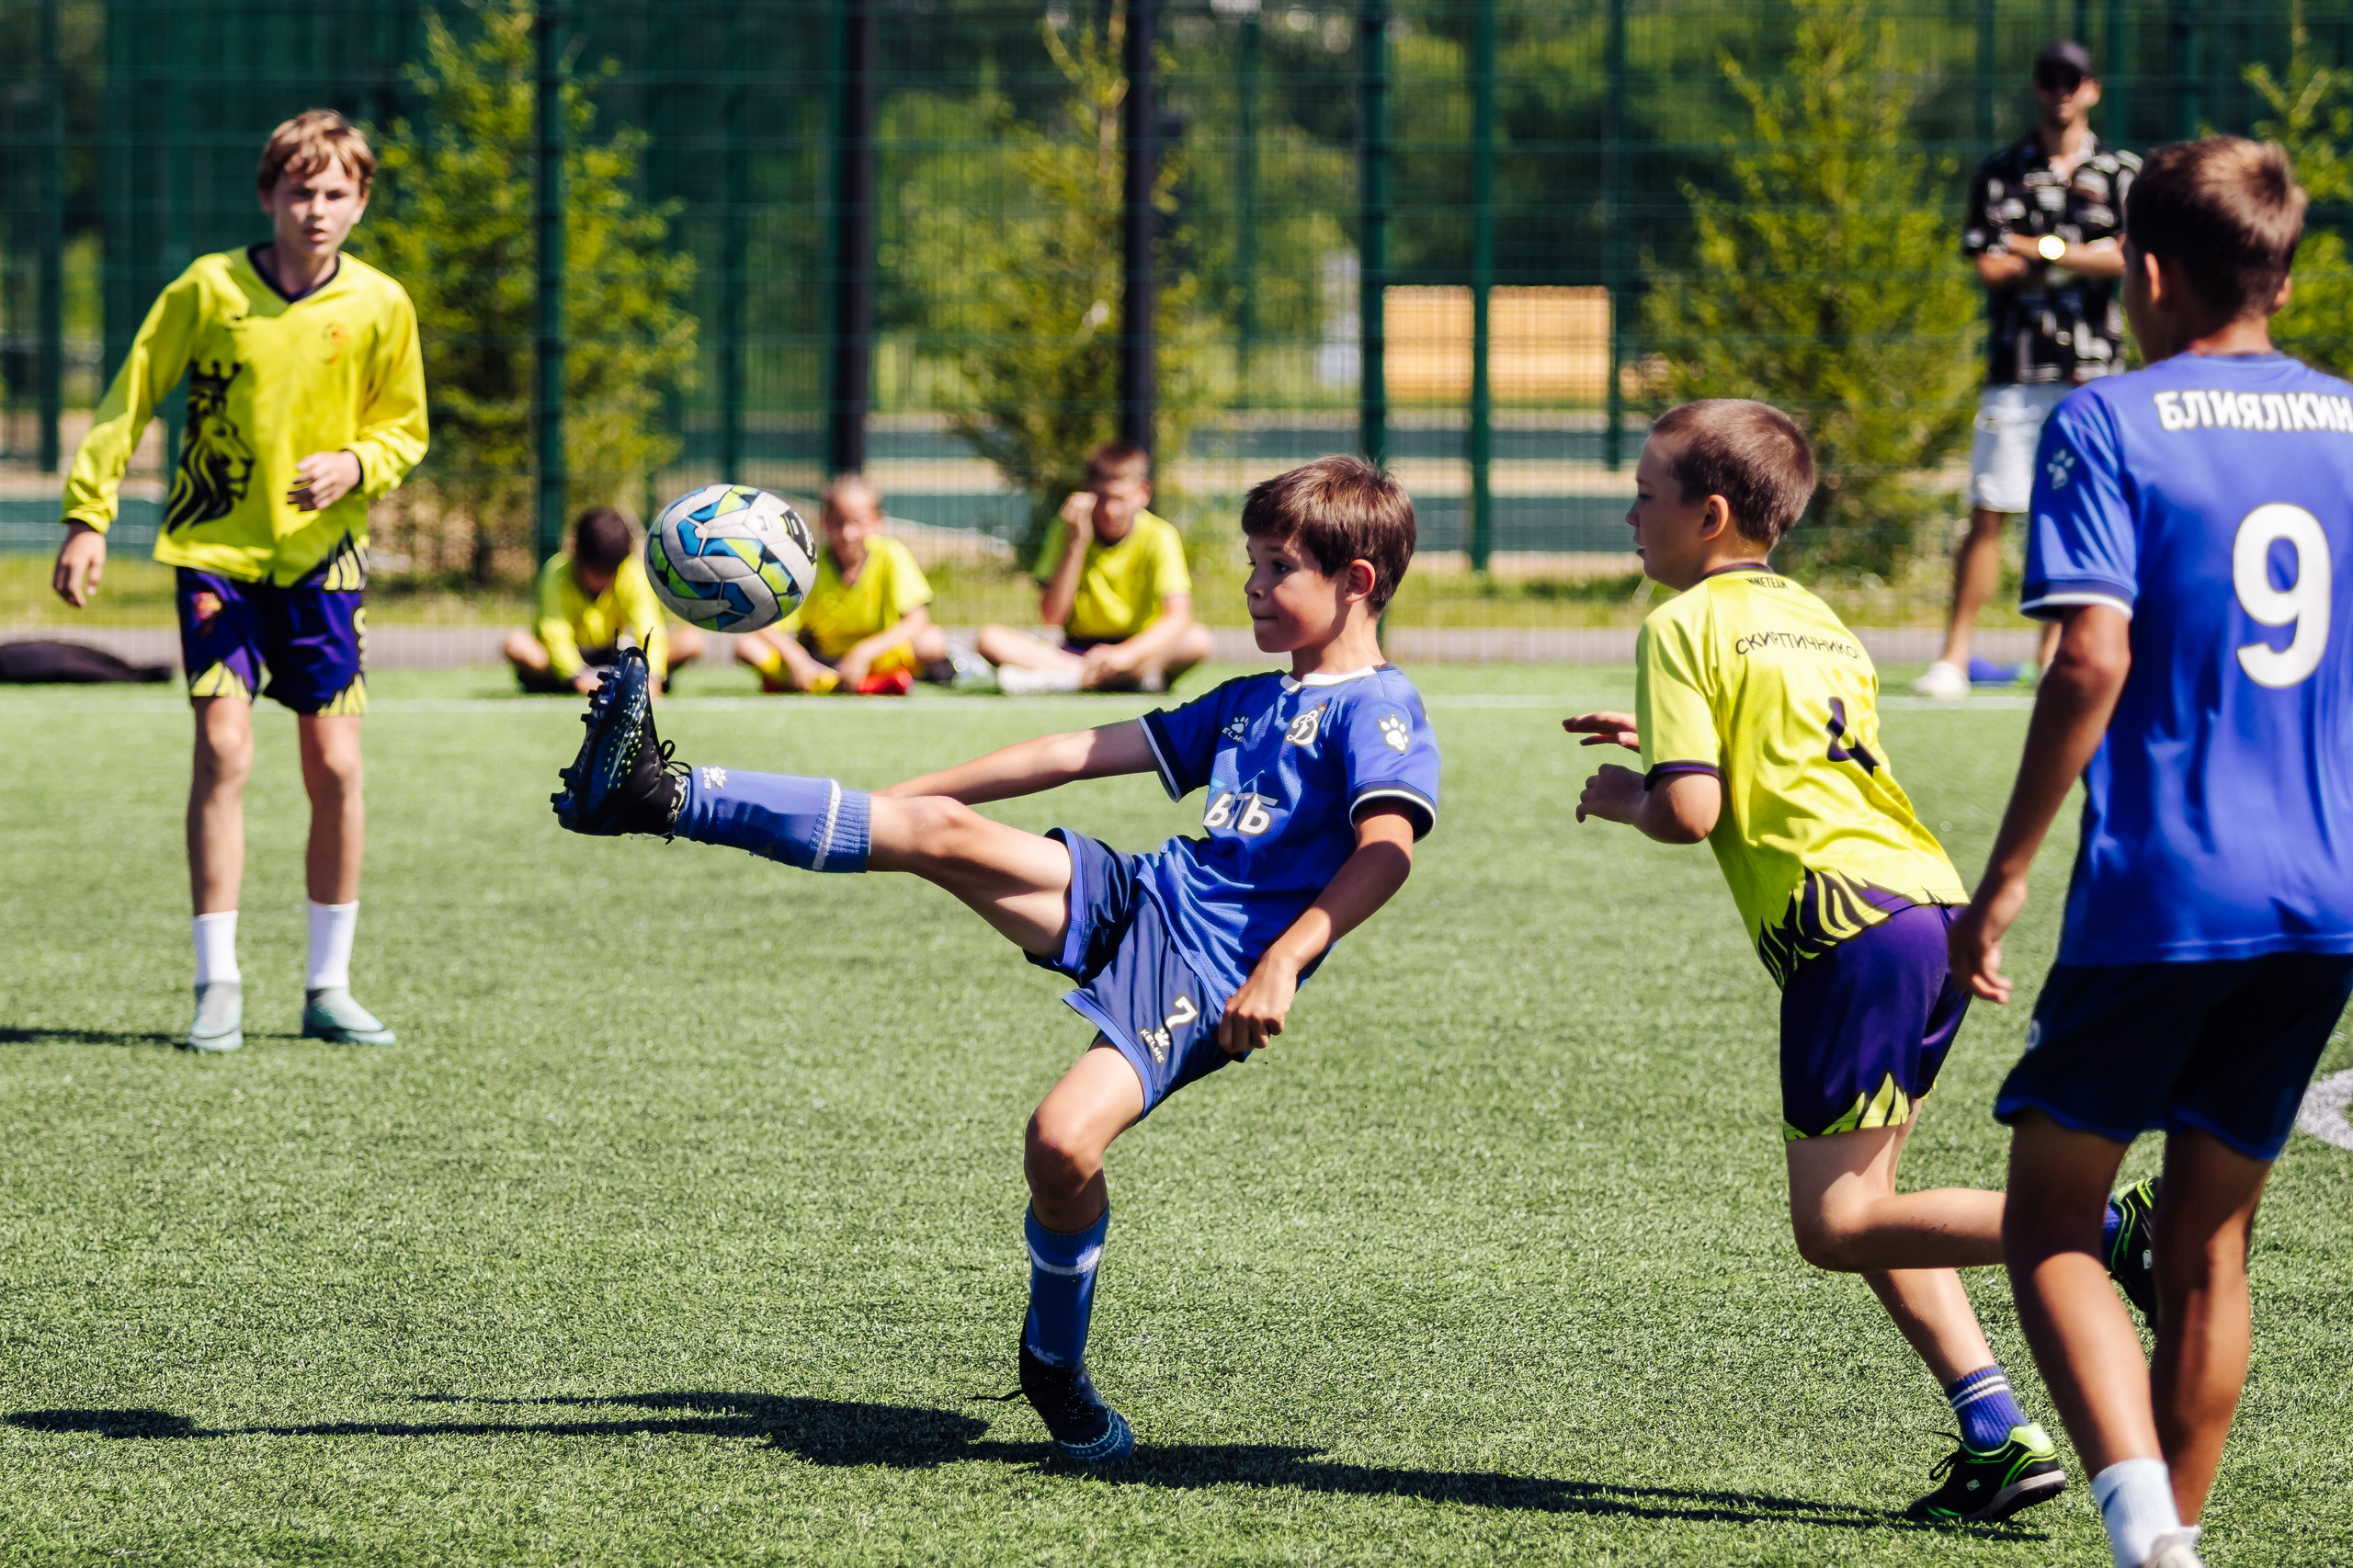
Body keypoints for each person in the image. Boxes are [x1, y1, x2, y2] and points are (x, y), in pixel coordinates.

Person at [550, 457, 1439, 1464]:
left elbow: (1386, 850)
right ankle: (659, 796)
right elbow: (1073, 750)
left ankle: (1051, 1363)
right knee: (939, 831)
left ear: (1355, 581)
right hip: (1145, 895)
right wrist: (909, 803)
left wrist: (1282, 961)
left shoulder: (1381, 710)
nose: (1251, 585)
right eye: (1251, 562)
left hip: (1209, 970)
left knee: (1060, 1145)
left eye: (1275, 567)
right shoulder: (1248, 700)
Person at [1566, 399, 2148, 1524]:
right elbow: (1794, 749)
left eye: (1645, 492)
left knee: (1832, 1225)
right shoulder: (1816, 618)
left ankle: (2117, 1227)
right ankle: (1993, 1427)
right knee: (1875, 1201)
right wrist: (1668, 740)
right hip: (1921, 903)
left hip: (1844, 928)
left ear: (1710, 513)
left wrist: (1630, 793)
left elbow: (1693, 813)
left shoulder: (1677, 625)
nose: (1630, 511)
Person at [1949, 138, 2353, 1568]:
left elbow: (2089, 658)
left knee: (2050, 1215)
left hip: (2170, 887)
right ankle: (2178, 1534)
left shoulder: (2109, 418)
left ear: (2149, 271)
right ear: (2286, 275)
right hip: (2327, 895)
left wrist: (2000, 880)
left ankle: (2148, 1541)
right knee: (2210, 1245)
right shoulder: (2352, 424)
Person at [51, 109, 427, 1054]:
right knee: (224, 753)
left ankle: (328, 984)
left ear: (361, 202)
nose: (315, 208)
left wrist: (358, 462)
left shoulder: (381, 305)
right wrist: (87, 515)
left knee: (335, 767)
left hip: (322, 566)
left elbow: (406, 428)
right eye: (299, 190)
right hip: (217, 555)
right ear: (267, 194)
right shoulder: (208, 288)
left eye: (335, 192)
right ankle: (217, 981)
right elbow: (131, 392)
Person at [1917, 40, 2138, 699]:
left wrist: (2036, 247)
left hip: (2095, 371)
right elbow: (1988, 266)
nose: (2061, 92)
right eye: (2050, 80)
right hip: (2017, 368)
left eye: (2073, 81)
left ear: (2092, 89)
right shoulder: (1999, 171)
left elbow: (2129, 258)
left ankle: (2054, 658)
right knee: (1991, 506)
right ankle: (1954, 658)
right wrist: (2080, 254)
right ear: (2037, 88)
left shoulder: (2124, 172)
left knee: (2081, 513)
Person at [977, 441, 1214, 694]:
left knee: (1198, 640)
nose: (1110, 511)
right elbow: (1051, 617)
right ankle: (1118, 680)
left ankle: (1071, 680)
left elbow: (1178, 616)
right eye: (1101, 499)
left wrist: (1126, 655)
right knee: (989, 638)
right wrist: (1076, 544)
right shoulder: (1067, 529)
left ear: (1143, 493)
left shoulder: (1160, 534)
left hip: (1138, 649)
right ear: (1086, 494)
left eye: (1120, 499)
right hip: (1076, 652)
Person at [732, 474, 949, 695]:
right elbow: (764, 624)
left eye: (859, 522)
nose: (848, 534)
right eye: (838, 523)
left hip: (878, 657)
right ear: (824, 522)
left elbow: (918, 621)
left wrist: (864, 652)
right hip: (821, 661)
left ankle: (810, 685)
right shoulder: (807, 564)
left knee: (932, 642)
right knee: (747, 646)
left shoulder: (891, 555)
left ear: (878, 522)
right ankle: (864, 685)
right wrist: (796, 658)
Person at [506, 507, 703, 696]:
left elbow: (649, 630)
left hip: (617, 656)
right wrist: (578, 677)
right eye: (596, 572)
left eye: (609, 573)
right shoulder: (555, 572)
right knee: (516, 644)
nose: (601, 581)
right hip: (568, 662)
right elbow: (555, 635)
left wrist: (652, 678)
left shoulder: (632, 572)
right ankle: (574, 681)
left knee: (691, 640)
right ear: (576, 554)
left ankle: (623, 679)